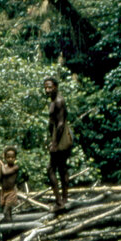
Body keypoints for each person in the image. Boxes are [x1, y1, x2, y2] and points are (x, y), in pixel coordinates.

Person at [44, 77, 73, 211]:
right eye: (46, 87)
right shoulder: (53, 101)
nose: (47, 90)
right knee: (62, 168)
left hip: (61, 137)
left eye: (50, 87)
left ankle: (59, 202)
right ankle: (64, 199)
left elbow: (60, 123)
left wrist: (55, 143)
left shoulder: (59, 101)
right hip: (57, 136)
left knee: (51, 169)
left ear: (55, 87)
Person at [0, 146, 20, 221]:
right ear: (5, 158)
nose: (10, 159)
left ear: (15, 158)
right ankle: (9, 225)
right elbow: (0, 178)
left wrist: (2, 165)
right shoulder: (4, 167)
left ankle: (9, 226)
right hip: (4, 191)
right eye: (8, 157)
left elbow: (5, 173)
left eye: (12, 157)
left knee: (5, 211)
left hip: (11, 192)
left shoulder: (15, 167)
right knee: (7, 211)